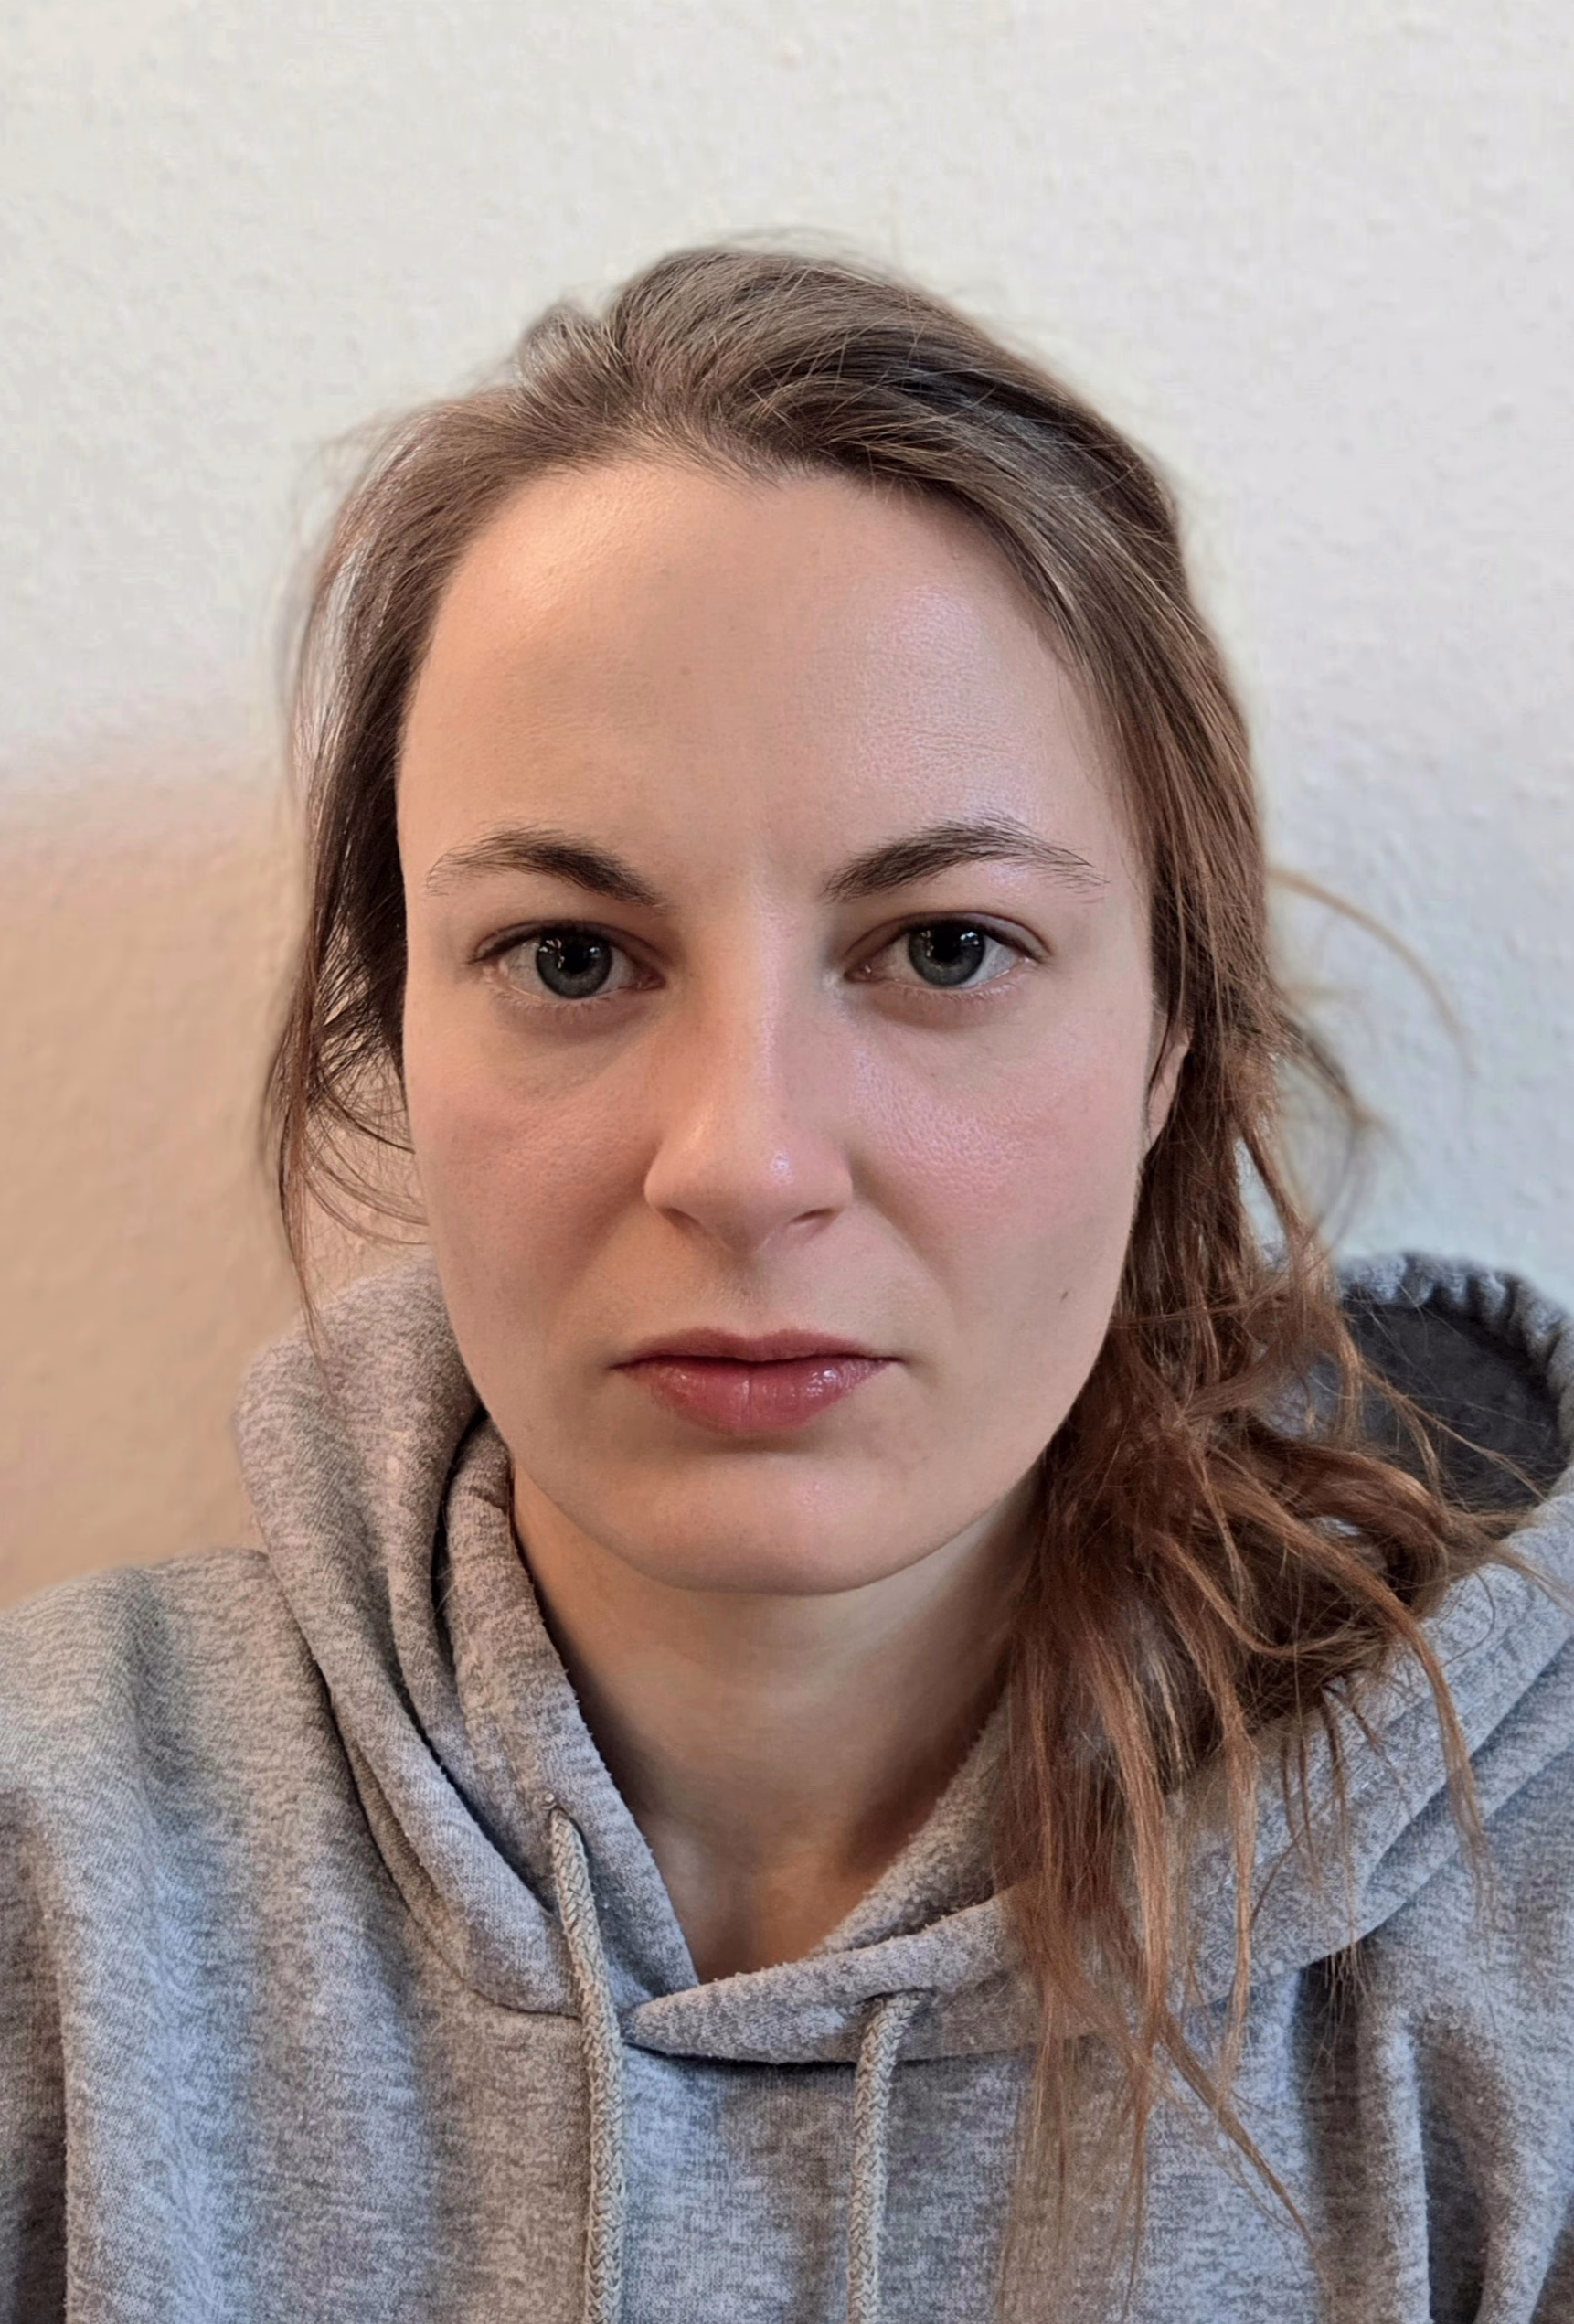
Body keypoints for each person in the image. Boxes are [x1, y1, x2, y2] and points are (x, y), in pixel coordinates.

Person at [2, 243, 1571, 2324]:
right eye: (572, 956)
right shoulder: (53, 1865)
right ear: (398, 1028)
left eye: (944, 948)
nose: (743, 1162)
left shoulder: (1524, 1922)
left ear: (1167, 1045)